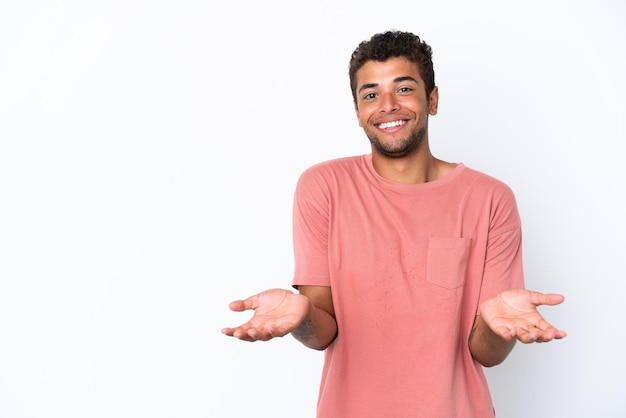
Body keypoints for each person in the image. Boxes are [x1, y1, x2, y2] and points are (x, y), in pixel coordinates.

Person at [222, 30, 566, 418]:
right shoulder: (323, 188)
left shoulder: (490, 199)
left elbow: (486, 353)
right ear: (357, 111)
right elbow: (324, 331)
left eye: (403, 89)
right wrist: (300, 317)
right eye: (371, 94)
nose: (387, 105)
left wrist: (497, 324)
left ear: (432, 100)